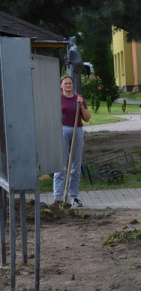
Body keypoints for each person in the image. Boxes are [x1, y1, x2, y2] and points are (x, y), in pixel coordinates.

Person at [53, 75, 91, 206]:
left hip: (77, 130)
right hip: (62, 129)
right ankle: (58, 196)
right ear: (61, 85)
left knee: (76, 164)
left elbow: (87, 118)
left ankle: (73, 196)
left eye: (70, 83)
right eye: (65, 83)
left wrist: (81, 105)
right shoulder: (57, 98)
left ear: (72, 85)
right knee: (61, 163)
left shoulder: (79, 99)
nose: (68, 85)